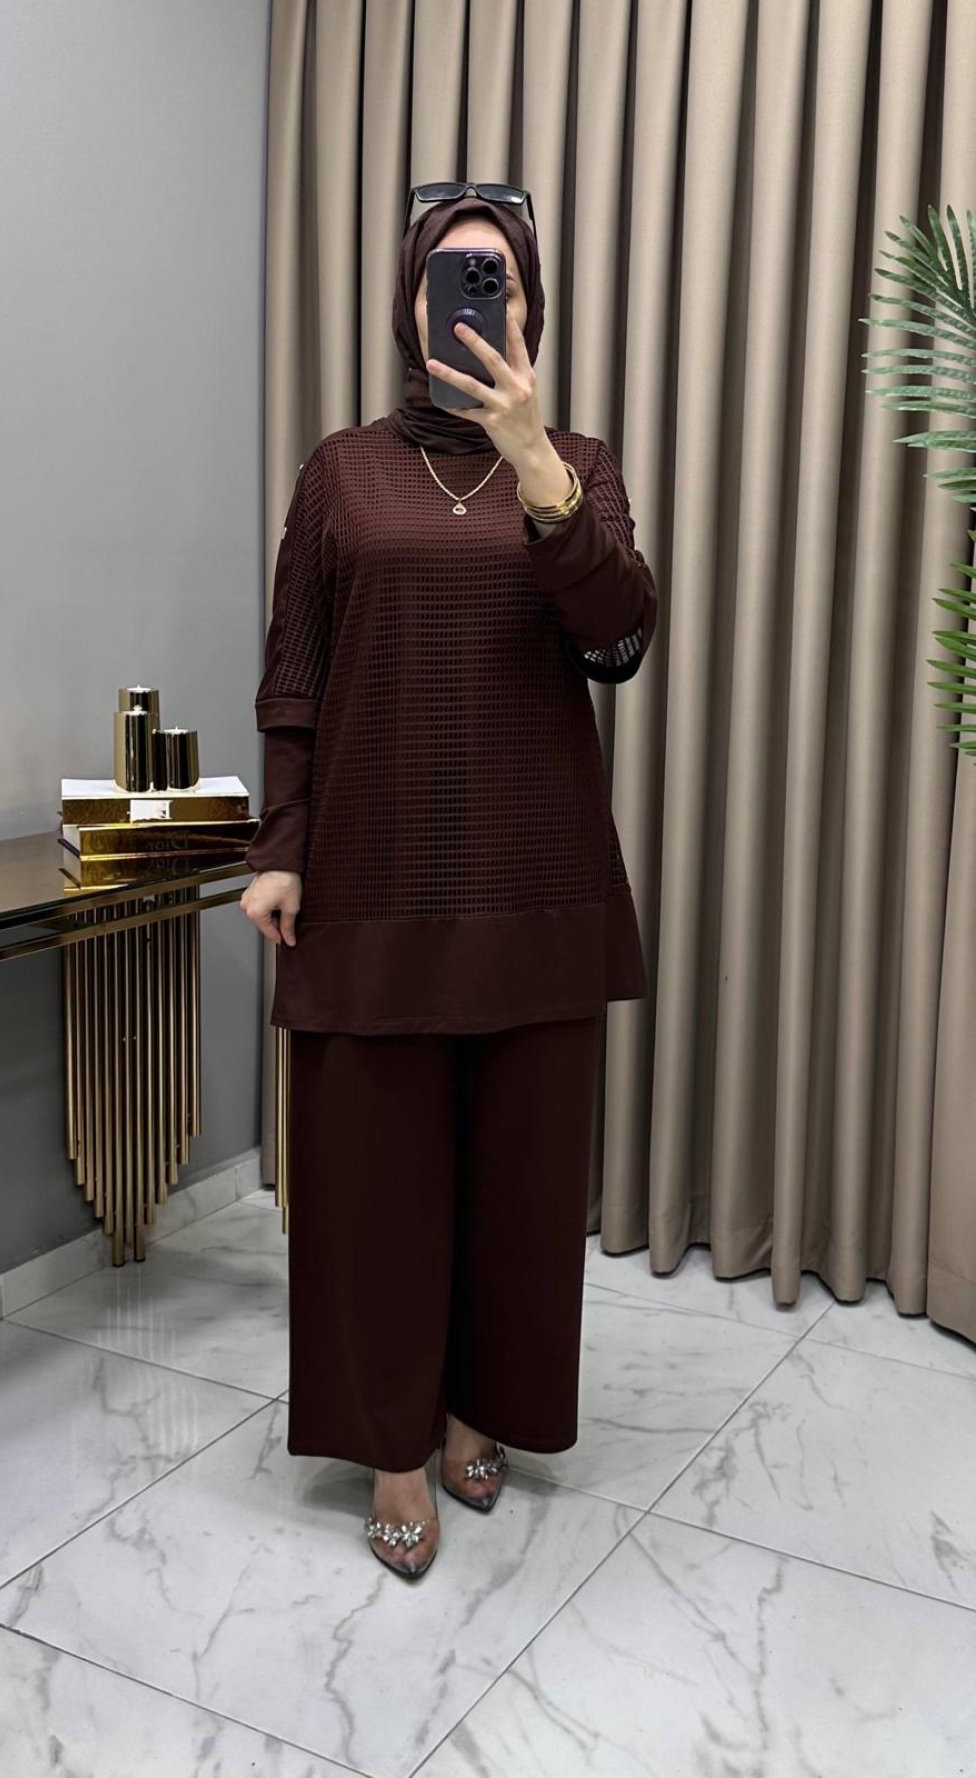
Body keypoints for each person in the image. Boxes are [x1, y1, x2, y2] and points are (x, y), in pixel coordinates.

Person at [240, 184, 658, 1579]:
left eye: (501, 280)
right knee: (373, 1185)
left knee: (521, 1187)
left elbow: (618, 639)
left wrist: (535, 462)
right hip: (373, 877)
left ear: (531, 309)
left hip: (537, 873)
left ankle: (485, 1406)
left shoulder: (577, 464)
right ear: (409, 302)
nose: (477, 299)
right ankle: (393, 1446)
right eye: (452, 275)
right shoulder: (341, 472)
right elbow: (295, 672)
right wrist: (281, 845)